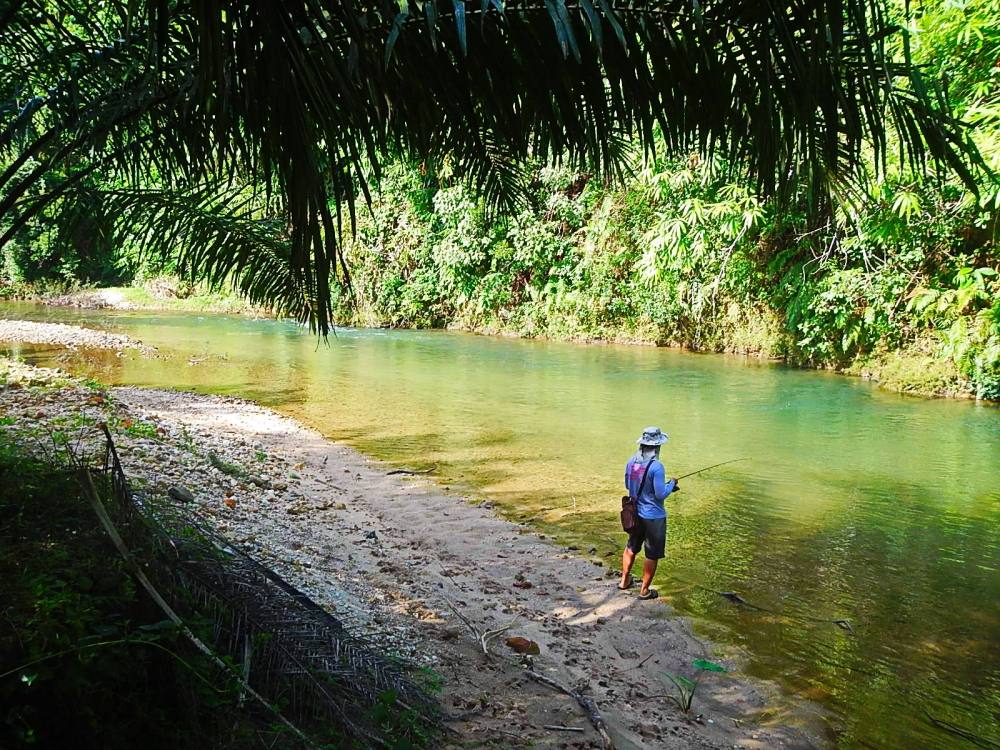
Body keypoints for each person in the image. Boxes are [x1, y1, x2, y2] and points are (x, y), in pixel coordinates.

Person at [618, 426, 678, 600]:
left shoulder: (632, 463)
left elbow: (629, 486)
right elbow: (660, 495)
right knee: (651, 554)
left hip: (636, 513)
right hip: (654, 517)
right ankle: (644, 590)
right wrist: (671, 485)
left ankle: (624, 581)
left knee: (631, 547)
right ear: (657, 447)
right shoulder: (657, 467)